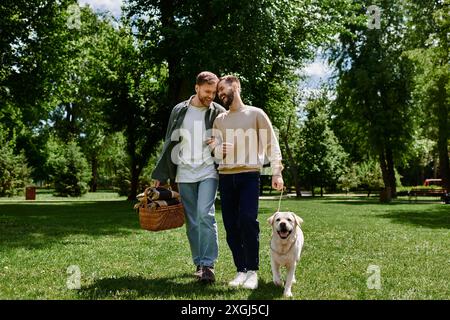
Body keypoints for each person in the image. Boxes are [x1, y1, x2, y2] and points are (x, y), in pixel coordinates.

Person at [210, 75, 284, 289]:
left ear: (237, 86)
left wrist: (276, 172)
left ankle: (252, 271)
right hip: (225, 176)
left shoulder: (255, 113)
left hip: (249, 175)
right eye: (218, 93)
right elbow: (215, 148)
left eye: (223, 90)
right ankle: (240, 270)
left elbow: (271, 144)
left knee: (248, 221)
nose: (221, 95)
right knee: (231, 226)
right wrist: (217, 149)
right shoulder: (220, 120)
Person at [152, 71, 226, 283]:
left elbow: (226, 141)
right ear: (196, 88)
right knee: (192, 220)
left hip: (208, 171)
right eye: (207, 91)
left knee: (206, 214)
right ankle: (199, 263)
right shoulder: (179, 110)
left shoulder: (218, 111)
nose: (210, 96)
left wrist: (218, 145)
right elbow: (169, 142)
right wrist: (162, 173)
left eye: (213, 92)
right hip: (184, 173)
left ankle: (209, 264)